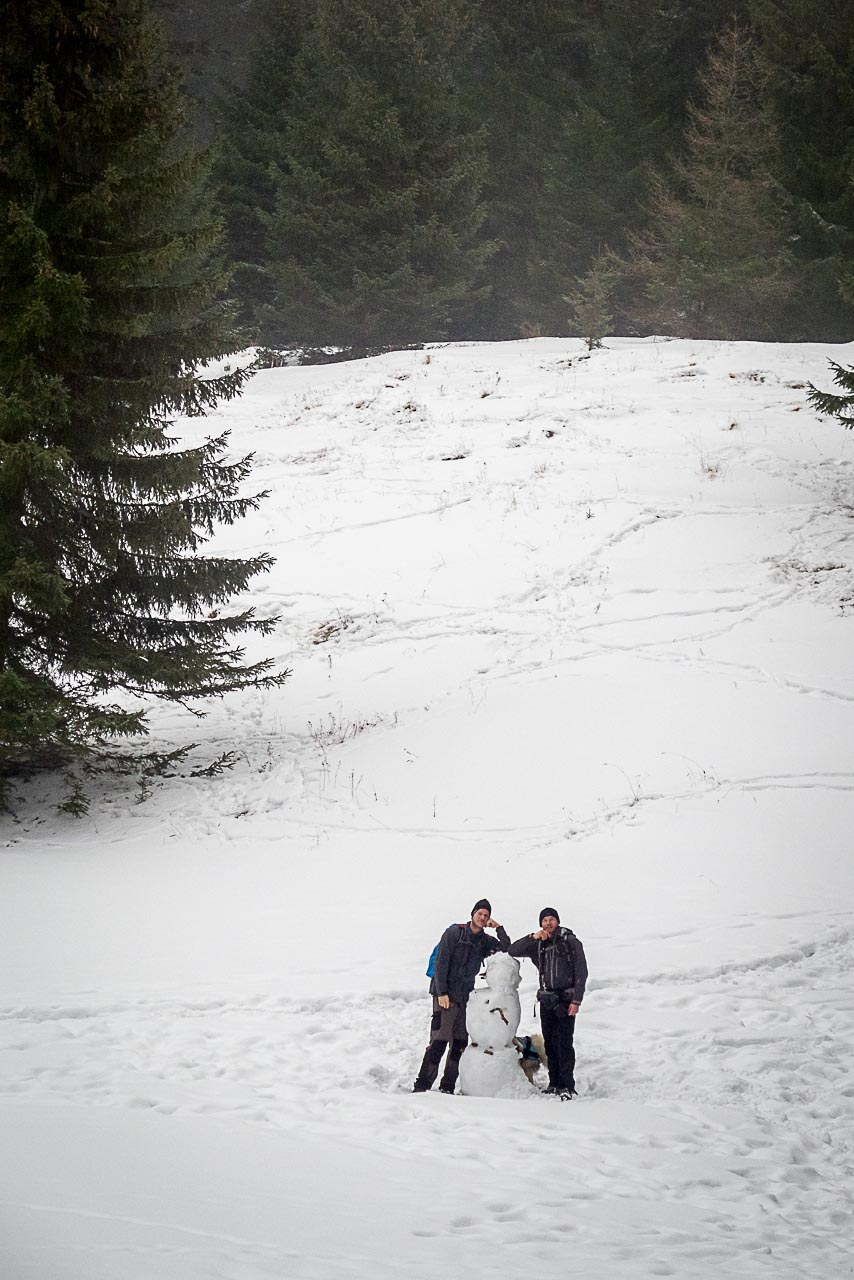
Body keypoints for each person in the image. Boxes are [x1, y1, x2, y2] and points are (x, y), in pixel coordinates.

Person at [413, 899, 510, 1095]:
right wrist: (441, 993)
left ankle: (447, 1086)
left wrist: (499, 928)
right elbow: (441, 962)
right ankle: (422, 1085)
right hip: (445, 994)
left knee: (459, 1042)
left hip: (465, 996)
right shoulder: (454, 933)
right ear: (472, 914)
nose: (482, 918)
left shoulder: (485, 941)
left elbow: (506, 948)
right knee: (439, 1040)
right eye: (479, 914)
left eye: (486, 915)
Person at [509, 907, 587, 1099]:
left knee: (565, 1043)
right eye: (544, 920)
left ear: (558, 921)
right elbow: (513, 950)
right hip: (546, 1000)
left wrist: (576, 1000)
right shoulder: (539, 945)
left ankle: (567, 1085)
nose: (548, 923)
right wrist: (532, 937)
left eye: (551, 919)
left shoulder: (570, 942)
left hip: (566, 999)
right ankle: (554, 1083)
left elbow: (581, 971)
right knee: (550, 1043)